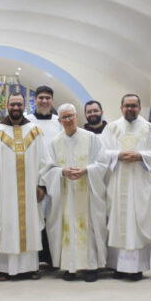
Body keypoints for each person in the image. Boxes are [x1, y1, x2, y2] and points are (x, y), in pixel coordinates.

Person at [42, 103, 109, 282]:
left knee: (90, 228)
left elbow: (103, 163)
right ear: (60, 120)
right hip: (64, 195)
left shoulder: (92, 138)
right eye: (64, 117)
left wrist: (86, 170)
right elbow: (47, 168)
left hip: (87, 192)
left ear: (77, 116)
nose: (68, 120)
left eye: (71, 116)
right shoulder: (55, 142)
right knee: (67, 227)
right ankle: (69, 267)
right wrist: (61, 172)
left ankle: (91, 267)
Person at [0, 92, 48, 280]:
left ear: (24, 106)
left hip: (29, 190)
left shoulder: (34, 130)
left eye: (19, 104)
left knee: (29, 223)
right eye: (12, 104)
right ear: (7, 106)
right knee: (5, 223)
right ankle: (3, 268)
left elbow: (44, 160)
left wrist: (41, 185)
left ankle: (29, 267)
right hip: (3, 190)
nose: (16, 108)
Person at [102, 94, 151, 281]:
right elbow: (101, 152)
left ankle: (137, 267)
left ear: (139, 108)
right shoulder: (111, 128)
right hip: (118, 180)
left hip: (140, 184)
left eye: (134, 106)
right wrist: (118, 155)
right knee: (118, 221)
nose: (130, 109)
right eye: (127, 105)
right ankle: (116, 266)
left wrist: (140, 156)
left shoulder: (150, 129)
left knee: (139, 220)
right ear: (121, 107)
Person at [24, 85, 63, 268]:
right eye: (41, 98)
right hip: (33, 176)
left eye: (48, 98)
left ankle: (53, 257)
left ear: (52, 100)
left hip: (56, 176)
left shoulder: (60, 121)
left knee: (55, 218)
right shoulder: (26, 121)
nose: (44, 101)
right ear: (35, 100)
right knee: (34, 218)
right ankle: (35, 258)